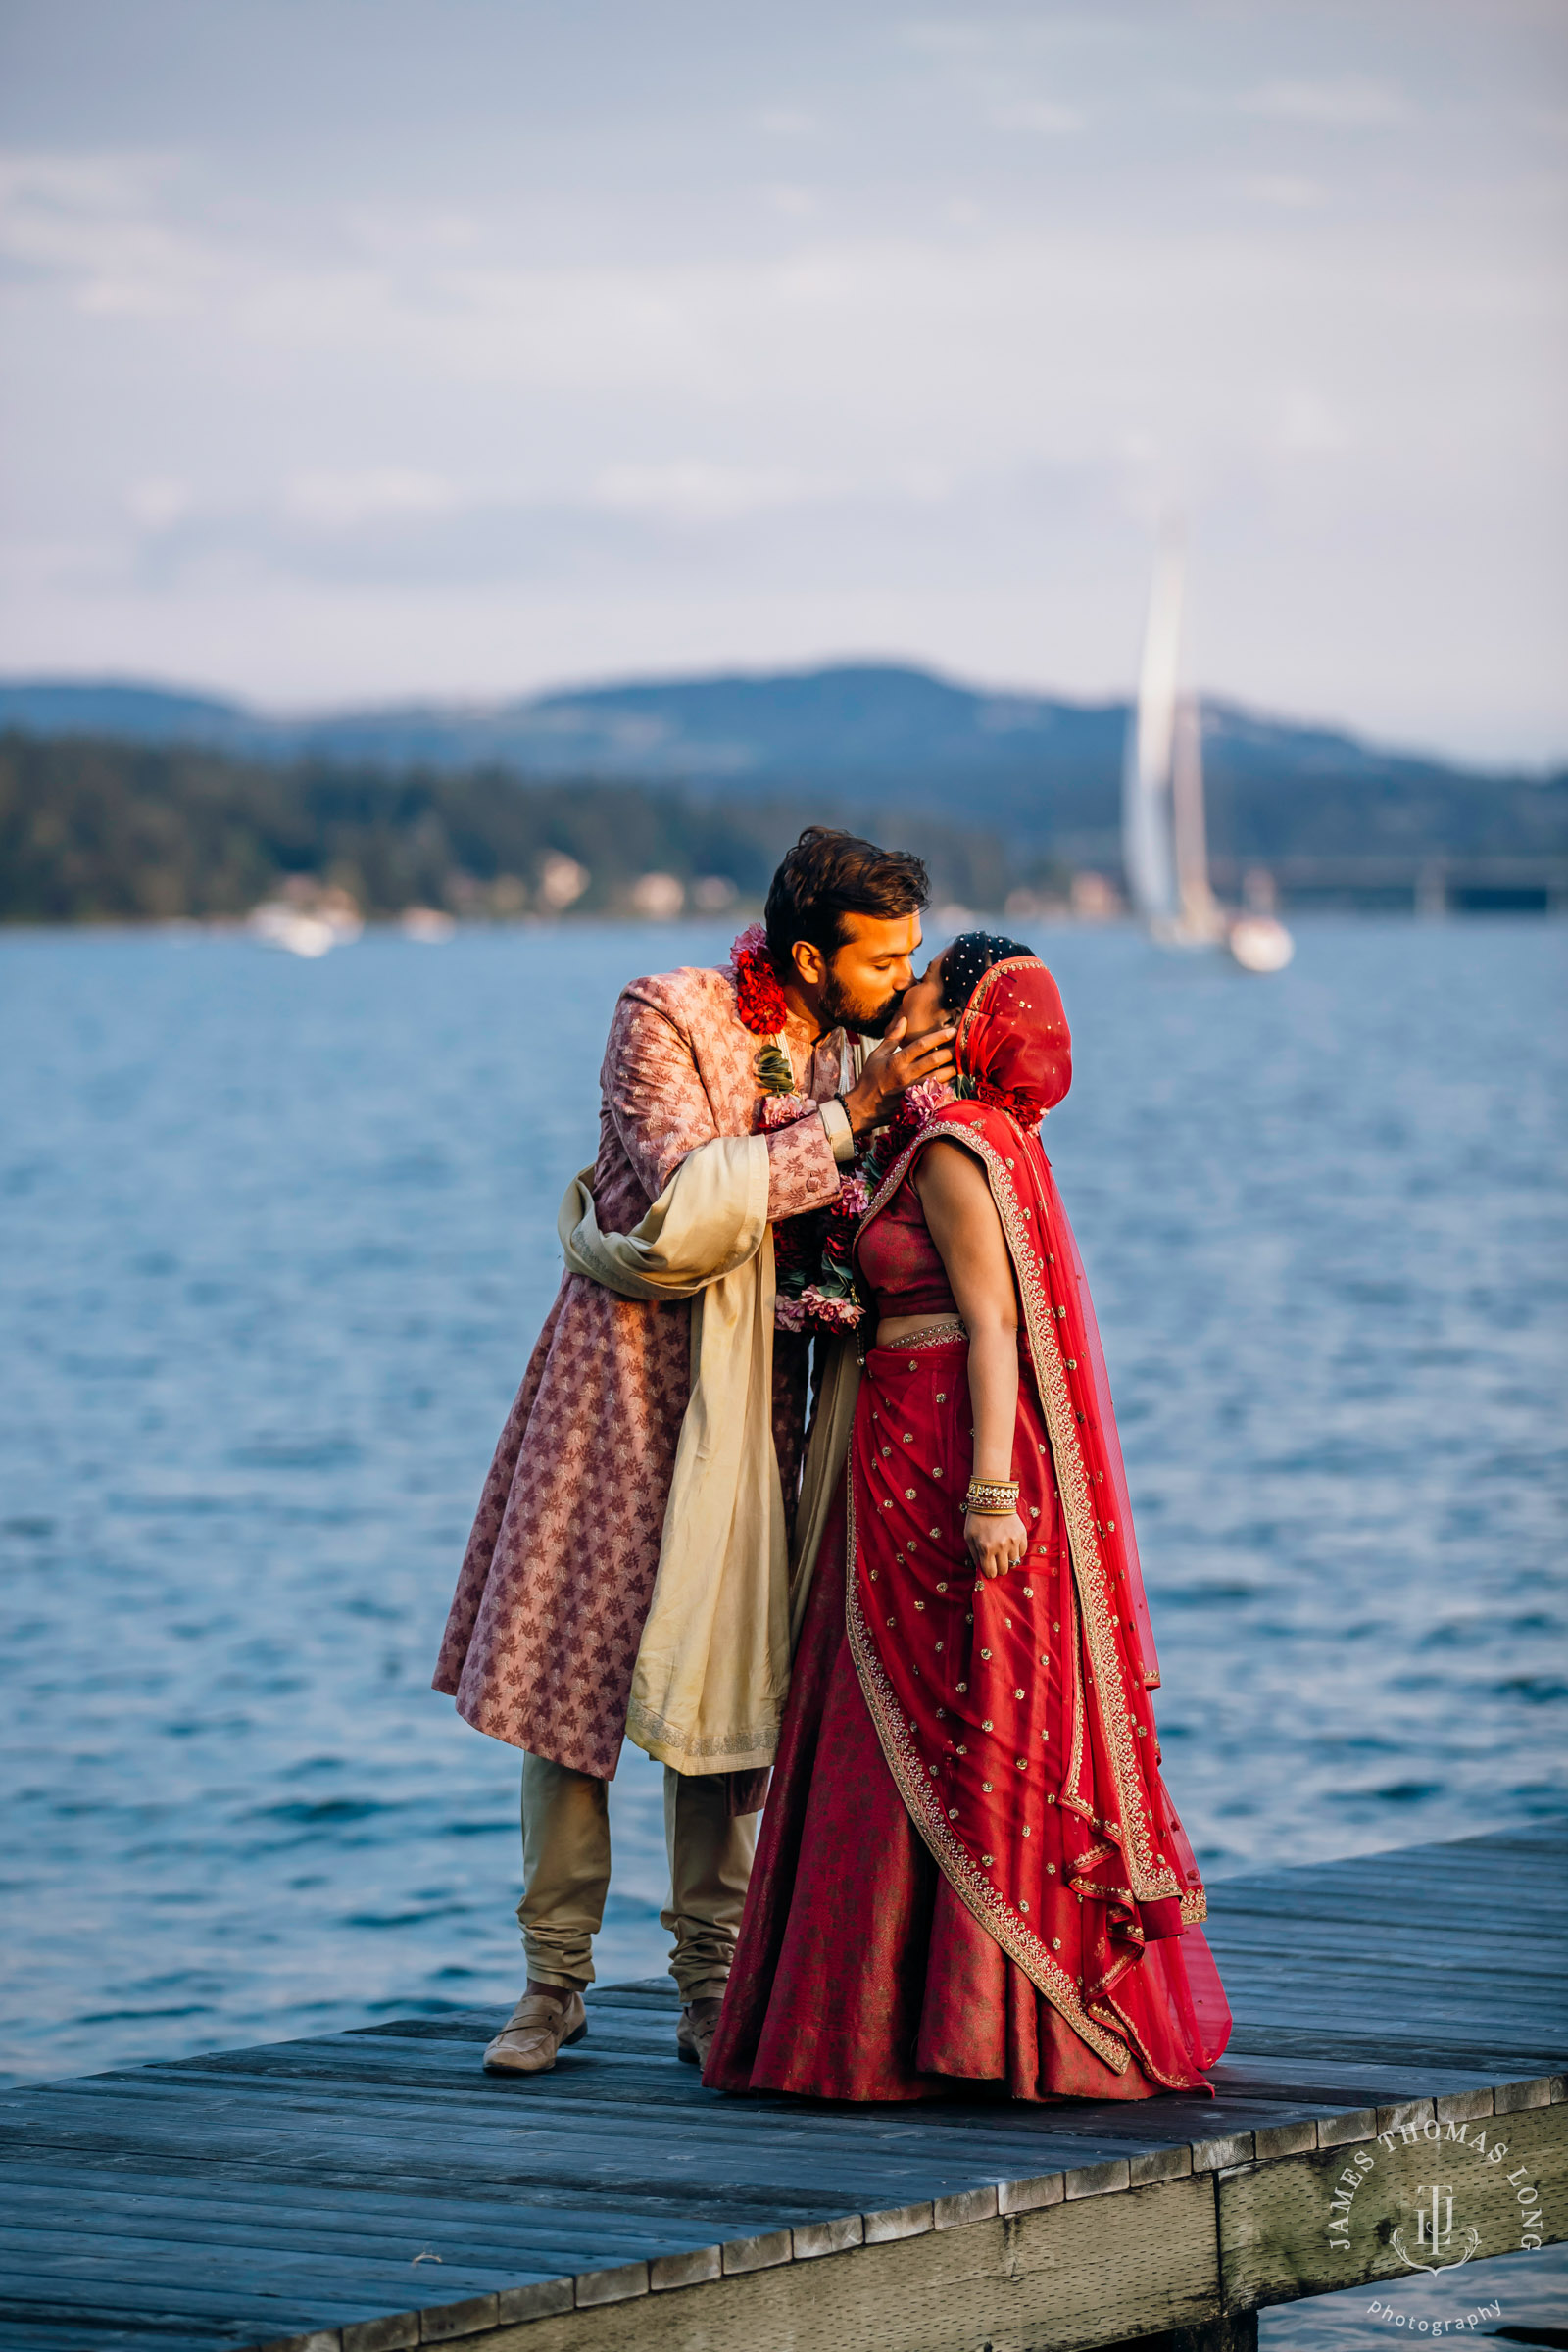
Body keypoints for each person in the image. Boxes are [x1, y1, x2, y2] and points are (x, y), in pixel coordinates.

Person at [431, 829, 956, 2077]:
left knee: (724, 1691)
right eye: (884, 960)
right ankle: (552, 1983)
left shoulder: (859, 1044)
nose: (899, 980)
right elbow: (675, 1205)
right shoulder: (663, 1015)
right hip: (615, 1385)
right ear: (812, 956)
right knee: (572, 1689)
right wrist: (852, 1117)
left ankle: (711, 1984)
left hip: (760, 1400)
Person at [706, 935, 1233, 2101]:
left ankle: (915, 2031)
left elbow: (990, 1326)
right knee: (924, 1718)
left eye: (932, 986)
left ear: (972, 1018)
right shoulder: (988, 1138)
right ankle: (940, 2020)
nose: (910, 997)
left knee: (924, 1716)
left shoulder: (956, 1147)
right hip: (901, 1439)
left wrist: (988, 1493)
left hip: (938, 1450)